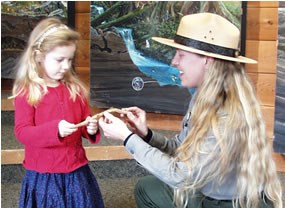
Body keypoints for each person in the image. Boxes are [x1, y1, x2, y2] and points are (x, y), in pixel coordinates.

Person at [98, 13, 282, 208]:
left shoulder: (226, 114)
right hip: (207, 187)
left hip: (234, 203)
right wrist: (146, 135)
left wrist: (127, 138)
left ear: (207, 61)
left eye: (181, 55)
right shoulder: (204, 96)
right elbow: (182, 151)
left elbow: (181, 175)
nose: (173, 62)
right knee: (146, 189)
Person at [10, 17, 104, 208]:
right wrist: (55, 130)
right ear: (38, 56)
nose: (66, 66)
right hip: (44, 174)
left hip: (76, 171)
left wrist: (91, 127)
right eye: (59, 60)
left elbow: (85, 119)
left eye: (70, 59)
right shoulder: (28, 91)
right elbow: (22, 132)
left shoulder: (75, 89)